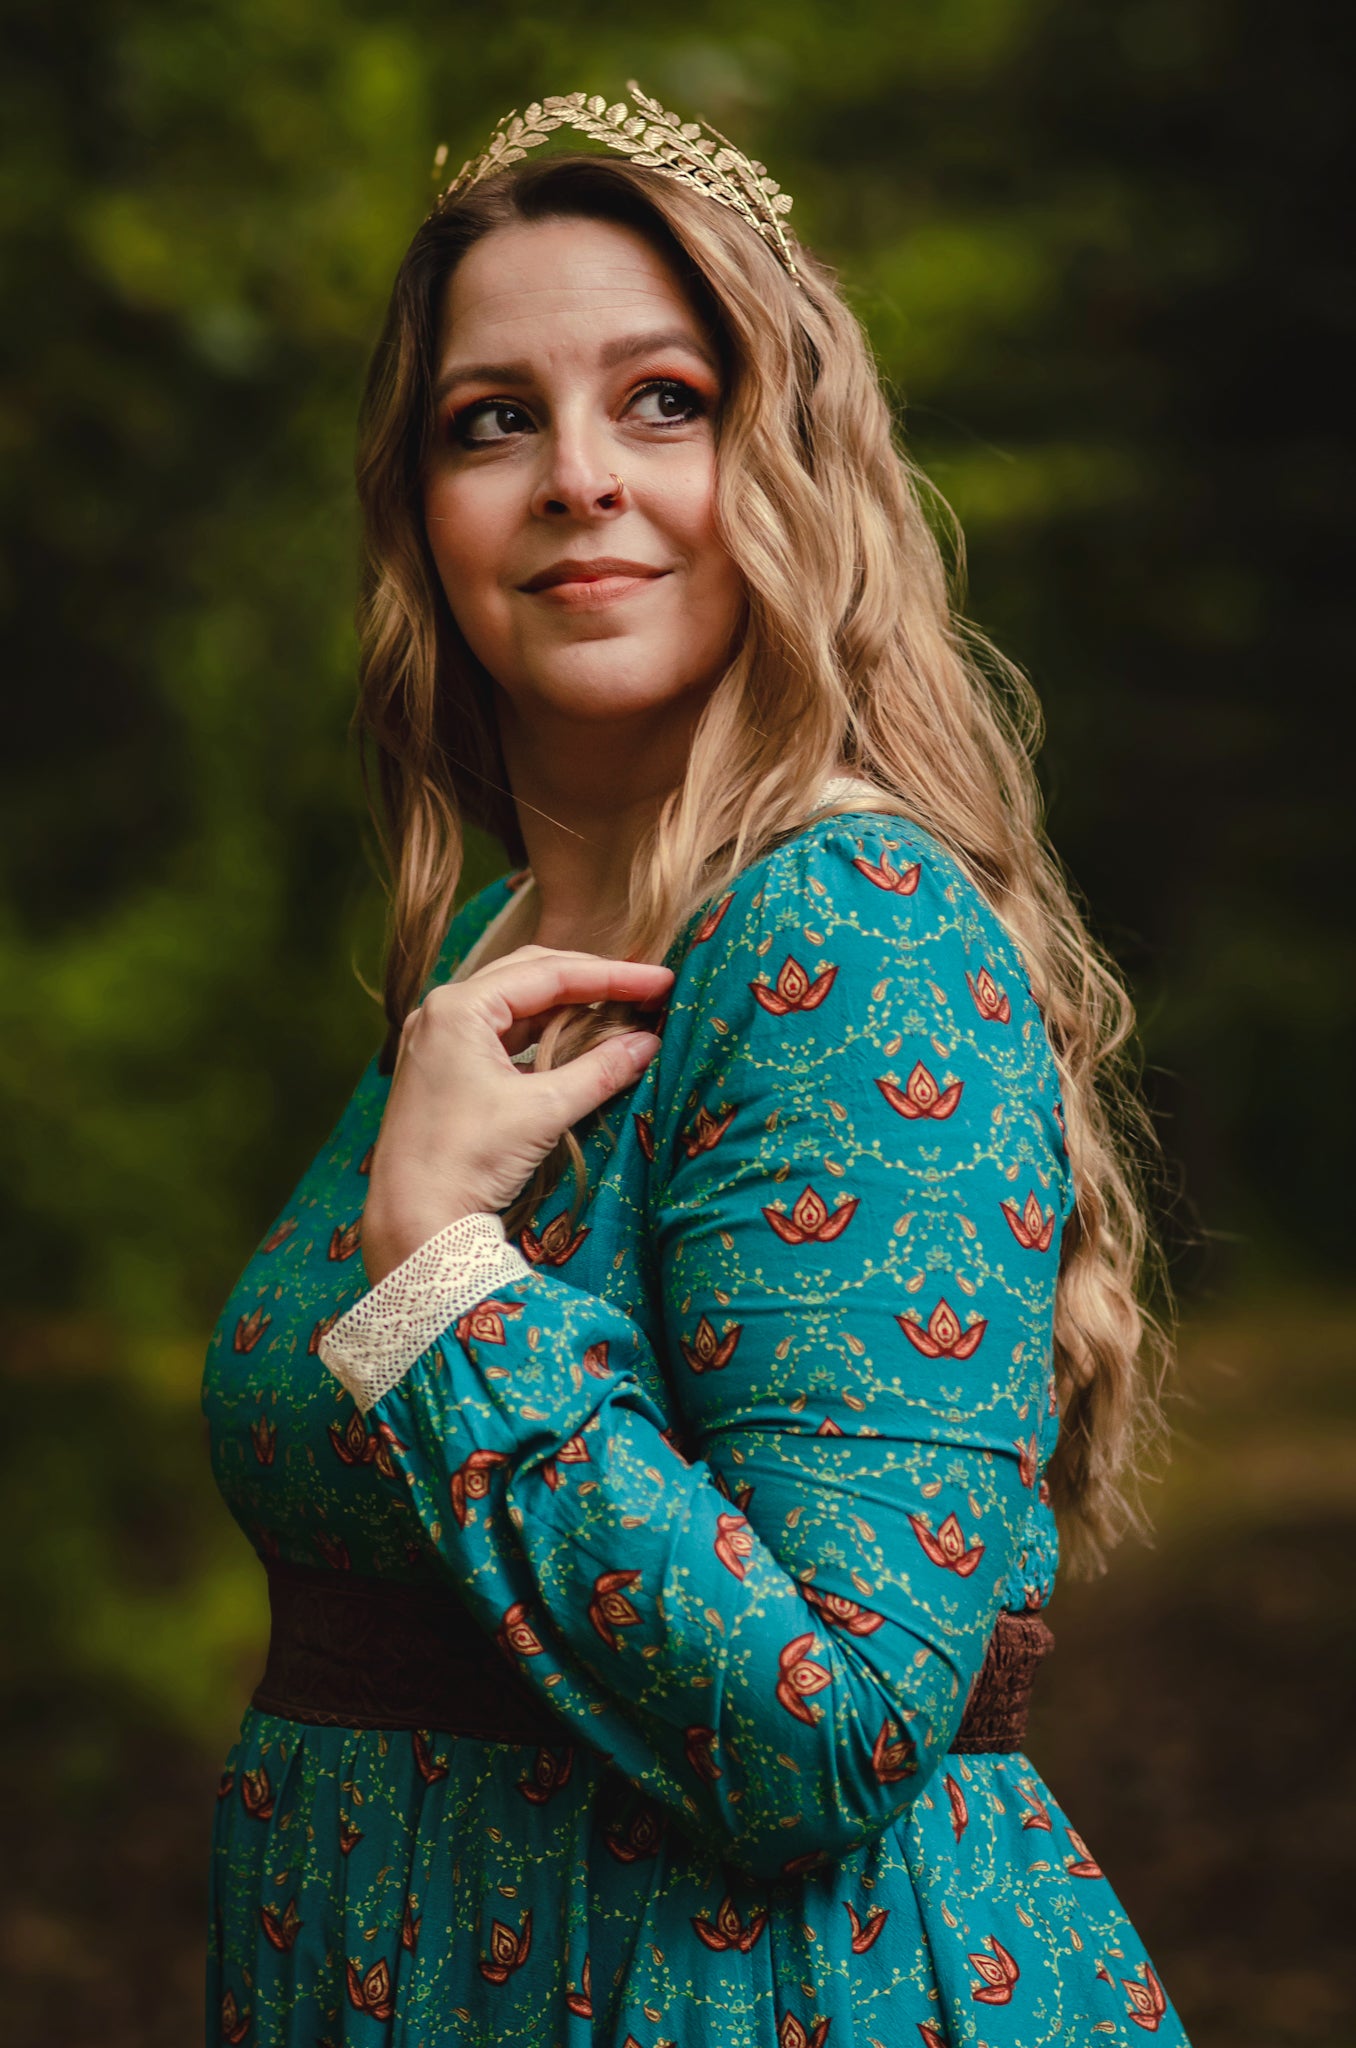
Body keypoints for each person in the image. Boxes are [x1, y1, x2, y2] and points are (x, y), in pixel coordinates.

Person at [203, 85, 1191, 2048]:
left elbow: (827, 1726)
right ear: (420, 511)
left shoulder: (849, 936)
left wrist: (440, 1280)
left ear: (787, 461)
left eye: (664, 397)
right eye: (495, 418)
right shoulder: (492, 959)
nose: (579, 474)